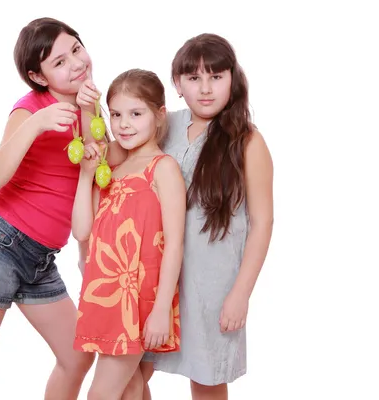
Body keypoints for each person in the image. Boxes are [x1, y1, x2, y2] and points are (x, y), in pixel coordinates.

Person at [0, 17, 100, 400]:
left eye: (76, 50)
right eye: (59, 62)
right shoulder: (31, 108)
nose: (76, 64)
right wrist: (36, 124)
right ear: (39, 76)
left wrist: (85, 254)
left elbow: (90, 183)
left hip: (40, 257)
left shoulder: (92, 108)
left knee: (77, 355)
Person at [137, 33, 275, 400]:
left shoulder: (247, 142)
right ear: (178, 84)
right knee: (134, 372)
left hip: (212, 283)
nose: (206, 88)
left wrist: (241, 293)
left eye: (216, 76)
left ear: (233, 78)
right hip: (157, 275)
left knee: (208, 378)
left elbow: (263, 223)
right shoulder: (164, 125)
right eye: (194, 78)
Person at [71, 69, 186, 400]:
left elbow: (176, 244)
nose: (124, 124)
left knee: (102, 394)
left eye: (136, 114)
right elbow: (81, 229)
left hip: (139, 302)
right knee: (131, 388)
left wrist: (162, 308)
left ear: (159, 115)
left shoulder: (162, 168)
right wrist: (86, 177)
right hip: (105, 296)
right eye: (117, 115)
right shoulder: (113, 170)